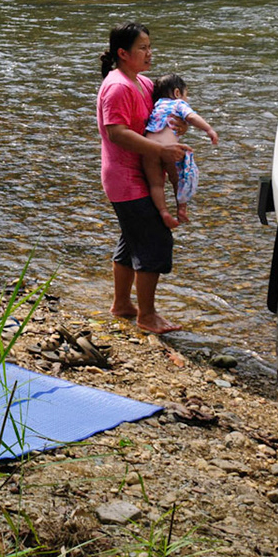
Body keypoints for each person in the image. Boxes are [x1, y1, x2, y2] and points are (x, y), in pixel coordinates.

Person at [96, 23, 194, 333]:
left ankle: (123, 304)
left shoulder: (143, 83)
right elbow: (117, 133)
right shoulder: (117, 87)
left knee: (132, 238)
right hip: (125, 178)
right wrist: (161, 151)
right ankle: (147, 315)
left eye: (150, 46)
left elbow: (161, 115)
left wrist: (180, 126)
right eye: (143, 48)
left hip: (139, 173)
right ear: (123, 54)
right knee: (154, 240)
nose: (149, 53)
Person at [141, 74, 220, 227]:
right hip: (169, 149)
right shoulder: (177, 103)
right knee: (178, 180)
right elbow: (191, 117)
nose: (187, 99)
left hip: (149, 149)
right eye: (186, 95)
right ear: (177, 93)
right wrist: (209, 129)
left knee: (156, 185)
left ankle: (163, 212)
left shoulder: (156, 106)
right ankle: (181, 209)